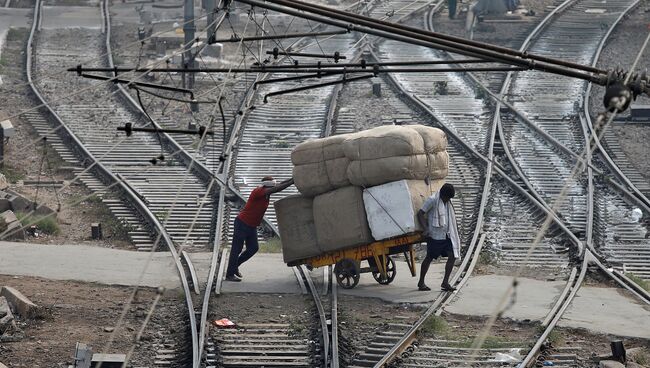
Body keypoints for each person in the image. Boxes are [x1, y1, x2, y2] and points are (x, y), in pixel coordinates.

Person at [225, 176, 294, 282]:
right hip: (242, 223)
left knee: (253, 248)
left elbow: (280, 184)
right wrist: (292, 182)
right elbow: (278, 188)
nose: (275, 184)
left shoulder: (267, 192)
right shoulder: (259, 191)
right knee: (236, 249)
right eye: (273, 183)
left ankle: (234, 266)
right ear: (269, 185)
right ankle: (229, 274)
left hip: (251, 225)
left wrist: (293, 178)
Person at [416, 183, 461, 291]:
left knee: (452, 255)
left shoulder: (448, 202)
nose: (447, 200)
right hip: (435, 236)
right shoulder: (432, 200)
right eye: (446, 198)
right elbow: (420, 213)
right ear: (442, 195)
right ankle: (421, 282)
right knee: (429, 258)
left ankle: (445, 282)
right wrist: (425, 228)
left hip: (447, 235)